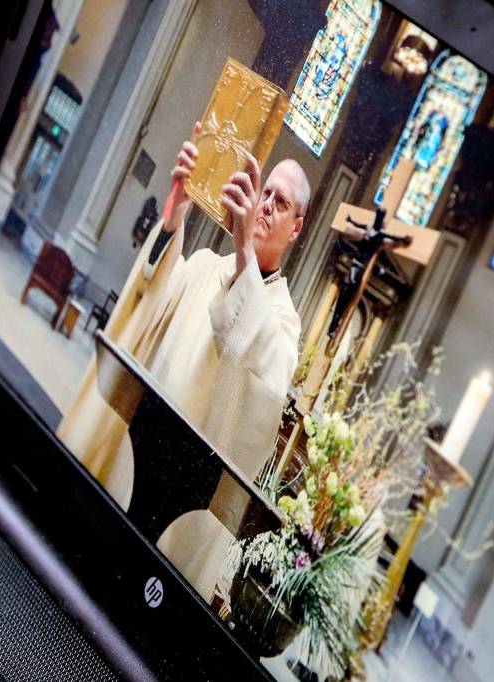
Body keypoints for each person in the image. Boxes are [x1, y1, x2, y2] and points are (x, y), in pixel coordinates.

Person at [56, 122, 310, 597]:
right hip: (131, 455)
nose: (265, 207)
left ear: (296, 227)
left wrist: (242, 253)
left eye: (280, 203)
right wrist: (176, 209)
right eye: (264, 193)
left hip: (180, 508)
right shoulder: (204, 268)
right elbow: (149, 300)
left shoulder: (283, 320)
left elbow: (266, 377)